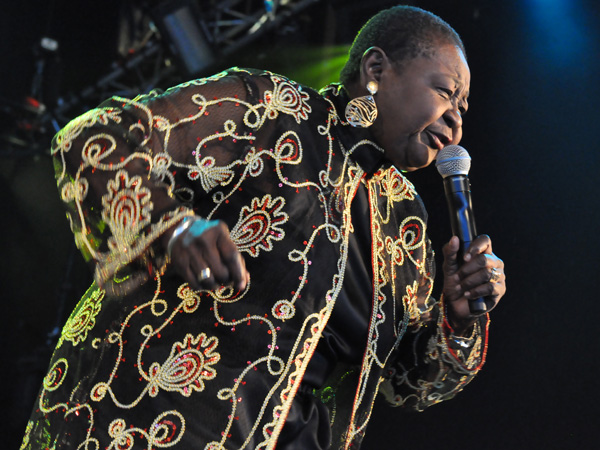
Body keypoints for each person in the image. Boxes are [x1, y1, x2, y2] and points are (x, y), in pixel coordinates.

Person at [21, 5, 506, 450]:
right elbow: (96, 137)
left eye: (463, 107)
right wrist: (169, 228)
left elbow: (407, 378)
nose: (456, 118)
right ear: (376, 69)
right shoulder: (276, 113)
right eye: (445, 92)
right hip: (148, 423)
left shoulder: (405, 218)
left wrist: (457, 319)